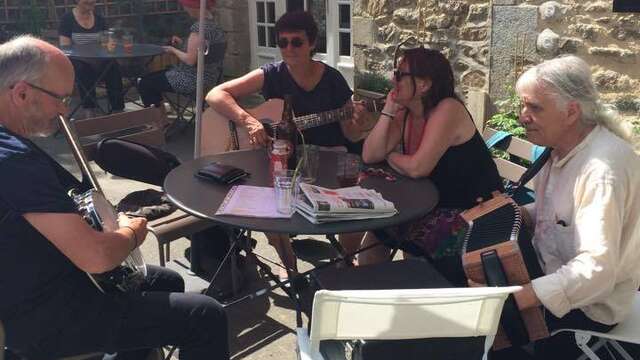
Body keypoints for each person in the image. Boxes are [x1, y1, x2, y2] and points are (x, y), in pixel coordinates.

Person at [0, 35, 229, 360]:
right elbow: (98, 257)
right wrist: (131, 233)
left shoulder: (11, 145)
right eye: (60, 98)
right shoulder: (12, 160)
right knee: (205, 316)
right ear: (22, 93)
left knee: (167, 280)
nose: (65, 109)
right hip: (42, 316)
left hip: (42, 279)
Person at [494, 55, 640, 359]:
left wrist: (528, 295)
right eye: (523, 105)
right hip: (550, 272)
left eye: (534, 107)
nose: (522, 116)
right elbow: (564, 216)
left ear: (571, 111)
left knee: (480, 331)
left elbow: (596, 270)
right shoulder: (562, 148)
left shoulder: (601, 170)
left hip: (589, 306)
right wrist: (517, 214)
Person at [205, 11, 368, 280]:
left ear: (312, 44)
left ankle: (345, 263)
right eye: (283, 43)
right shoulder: (272, 74)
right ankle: (288, 265)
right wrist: (249, 121)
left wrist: (357, 121)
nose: (289, 49)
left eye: (297, 42)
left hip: (326, 160)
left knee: (350, 206)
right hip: (281, 160)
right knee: (265, 207)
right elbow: (215, 94)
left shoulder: (333, 79)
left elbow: (350, 135)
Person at [357, 47, 503, 286]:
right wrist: (387, 111)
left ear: (423, 85)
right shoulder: (406, 112)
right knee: (376, 235)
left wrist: (391, 154)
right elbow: (370, 154)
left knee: (406, 231)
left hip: (471, 214)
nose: (393, 79)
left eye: (400, 74)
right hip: (431, 206)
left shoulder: (447, 109)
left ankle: (416, 297)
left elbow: (417, 168)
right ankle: (368, 297)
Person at [137, 0, 225, 108]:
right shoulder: (214, 26)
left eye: (186, 6)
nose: (184, 8)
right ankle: (160, 120)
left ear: (194, 7)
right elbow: (202, 51)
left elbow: (190, 60)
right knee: (152, 78)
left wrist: (173, 50)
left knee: (145, 83)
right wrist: (182, 44)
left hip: (190, 80)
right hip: (211, 78)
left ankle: (159, 123)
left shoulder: (199, 29)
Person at [59, 0, 125, 114]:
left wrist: (111, 43)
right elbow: (65, 48)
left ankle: (118, 110)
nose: (90, 1)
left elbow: (107, 41)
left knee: (113, 66)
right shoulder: (67, 19)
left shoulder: (99, 19)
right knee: (85, 69)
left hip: (99, 62)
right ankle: (90, 111)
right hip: (78, 63)